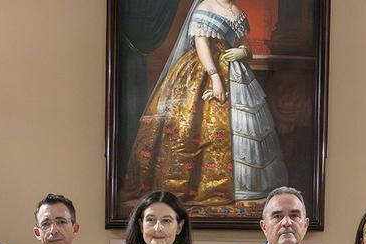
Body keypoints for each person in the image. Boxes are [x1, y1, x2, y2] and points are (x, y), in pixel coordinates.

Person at [122, 0, 287, 206]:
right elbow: (201, 44)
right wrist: (215, 77)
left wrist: (244, 51)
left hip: (234, 70)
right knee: (194, 125)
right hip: (204, 70)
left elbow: (242, 42)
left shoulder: (235, 10)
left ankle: (247, 187)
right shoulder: (205, 7)